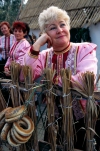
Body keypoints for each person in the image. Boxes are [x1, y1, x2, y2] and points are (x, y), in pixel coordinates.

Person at [23, 6, 98, 150]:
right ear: (46, 34)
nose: (59, 30)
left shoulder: (84, 49)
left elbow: (85, 80)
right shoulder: (44, 55)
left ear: (68, 27)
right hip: (54, 118)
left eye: (62, 24)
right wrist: (38, 44)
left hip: (82, 119)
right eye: (52, 28)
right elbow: (26, 74)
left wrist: (52, 79)